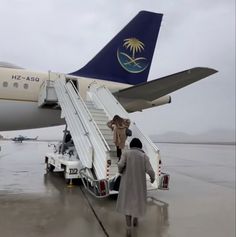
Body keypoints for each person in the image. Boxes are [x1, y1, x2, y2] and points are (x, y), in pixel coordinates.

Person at [116, 138, 155, 236]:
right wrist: (152, 178)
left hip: (127, 183)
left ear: (131, 145)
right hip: (139, 184)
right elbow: (150, 170)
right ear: (140, 146)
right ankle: (135, 221)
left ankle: (128, 228)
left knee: (127, 203)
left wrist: (120, 171)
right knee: (137, 202)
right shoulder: (144, 156)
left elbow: (120, 165)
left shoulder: (126, 153)